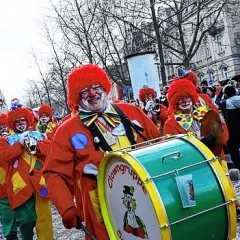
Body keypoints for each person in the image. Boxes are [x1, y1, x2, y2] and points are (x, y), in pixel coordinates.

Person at [42, 63, 160, 240]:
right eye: (84, 90)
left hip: (145, 190)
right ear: (76, 96)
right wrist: (67, 207)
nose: (92, 94)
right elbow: (54, 173)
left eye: (96, 86)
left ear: (104, 87)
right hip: (100, 200)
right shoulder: (67, 130)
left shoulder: (130, 111)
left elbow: (159, 143)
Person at [0, 103, 53, 240]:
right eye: (17, 121)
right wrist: (20, 144)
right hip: (21, 186)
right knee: (26, 221)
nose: (20, 123)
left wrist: (37, 146)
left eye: (22, 120)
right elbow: (6, 157)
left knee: (44, 220)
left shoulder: (39, 136)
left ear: (28, 121)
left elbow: (50, 151)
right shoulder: (7, 141)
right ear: (12, 124)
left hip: (40, 183)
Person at [163, 79, 229, 172]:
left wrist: (216, 136)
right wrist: (200, 144)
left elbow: (224, 131)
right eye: (180, 98)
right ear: (175, 101)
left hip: (217, 160)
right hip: (195, 167)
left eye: (187, 97)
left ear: (192, 97)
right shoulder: (170, 124)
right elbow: (175, 152)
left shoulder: (206, 111)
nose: (185, 101)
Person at [0, 112, 19, 240]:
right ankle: (10, 233)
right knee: (5, 205)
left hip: (15, 177)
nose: (2, 128)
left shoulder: (15, 138)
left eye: (4, 125)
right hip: (1, 180)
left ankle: (22, 222)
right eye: (0, 125)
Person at [218, 85, 240, 170]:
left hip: (233, 131)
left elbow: (217, 101)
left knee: (234, 150)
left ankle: (238, 168)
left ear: (226, 94)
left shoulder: (227, 102)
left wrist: (220, 92)